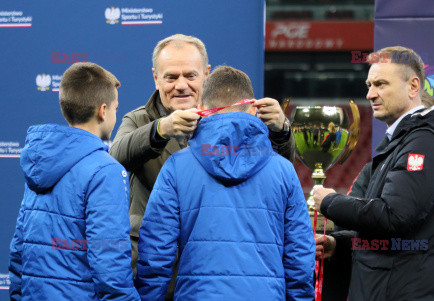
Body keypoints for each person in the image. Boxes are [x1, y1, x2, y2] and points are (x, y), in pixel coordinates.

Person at [109, 34, 296, 281]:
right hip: (153, 267)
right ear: (156, 78)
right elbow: (114, 161)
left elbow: (279, 172)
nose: (181, 85)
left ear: (206, 74)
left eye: (190, 75)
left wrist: (282, 131)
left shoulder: (240, 120)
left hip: (213, 263)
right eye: (171, 77)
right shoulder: (138, 120)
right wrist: (160, 130)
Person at [313, 46, 434, 300]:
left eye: (380, 84)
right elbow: (387, 233)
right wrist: (340, 244)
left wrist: (329, 202)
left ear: (414, 87)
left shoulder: (425, 143)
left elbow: (394, 216)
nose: (370, 94)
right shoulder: (399, 145)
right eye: (369, 85)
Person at [135, 66, 314, 300]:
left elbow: (156, 252)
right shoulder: (284, 170)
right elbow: (300, 254)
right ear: (253, 109)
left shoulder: (176, 167)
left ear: (200, 110)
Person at [9, 63, 140, 300]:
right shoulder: (107, 171)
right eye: (115, 109)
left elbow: (19, 248)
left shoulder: (39, 163)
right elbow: (110, 263)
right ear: (102, 111)